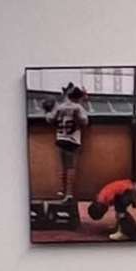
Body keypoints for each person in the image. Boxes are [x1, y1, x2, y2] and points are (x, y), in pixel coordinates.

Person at [47, 81, 88, 212]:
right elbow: (84, 121)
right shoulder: (77, 108)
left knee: (63, 167)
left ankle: (61, 190)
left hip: (60, 138)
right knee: (71, 168)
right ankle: (68, 194)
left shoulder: (59, 107)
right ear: (77, 97)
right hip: (72, 140)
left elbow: (49, 119)